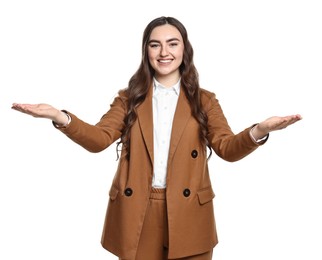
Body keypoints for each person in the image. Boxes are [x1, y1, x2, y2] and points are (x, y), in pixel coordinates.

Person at [11, 16, 302, 260]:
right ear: (146, 51)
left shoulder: (205, 101)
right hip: (138, 209)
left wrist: (260, 130)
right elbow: (99, 139)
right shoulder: (129, 99)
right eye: (155, 44)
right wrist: (61, 117)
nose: (164, 52)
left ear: (185, 50)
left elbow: (226, 148)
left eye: (172, 43)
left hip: (190, 212)